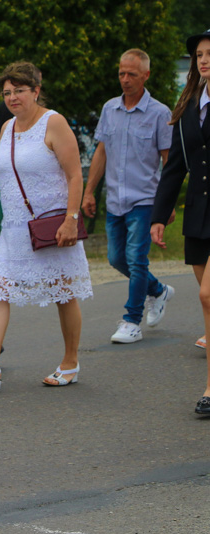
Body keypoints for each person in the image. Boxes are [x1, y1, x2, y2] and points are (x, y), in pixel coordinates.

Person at [0, 61, 92, 391]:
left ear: (36, 91)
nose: (12, 97)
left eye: (18, 91)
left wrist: (72, 220)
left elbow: (75, 175)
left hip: (53, 226)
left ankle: (70, 363)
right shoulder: (8, 128)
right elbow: (0, 178)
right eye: (6, 92)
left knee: (64, 293)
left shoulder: (53, 123)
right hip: (14, 229)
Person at [82, 49, 173, 344]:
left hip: (144, 200)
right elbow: (102, 151)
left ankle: (131, 320)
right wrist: (89, 191)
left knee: (136, 259)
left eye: (132, 74)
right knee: (115, 258)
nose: (125, 79)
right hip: (115, 200)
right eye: (121, 73)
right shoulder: (110, 109)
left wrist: (166, 203)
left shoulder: (160, 113)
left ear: (146, 75)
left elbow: (169, 161)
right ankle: (157, 290)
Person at [150, 29, 210, 415]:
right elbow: (175, 169)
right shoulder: (188, 105)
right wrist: (159, 215)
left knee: (208, 295)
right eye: (199, 54)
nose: (204, 59)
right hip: (200, 216)